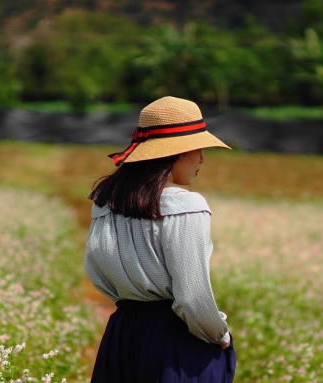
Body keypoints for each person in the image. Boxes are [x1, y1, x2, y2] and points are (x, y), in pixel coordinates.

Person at [85, 96, 236, 382]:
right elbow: (191, 298)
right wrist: (220, 335)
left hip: (122, 334)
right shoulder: (185, 206)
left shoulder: (105, 204)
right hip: (174, 338)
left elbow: (98, 275)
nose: (202, 158)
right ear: (176, 152)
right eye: (198, 148)